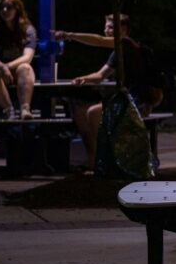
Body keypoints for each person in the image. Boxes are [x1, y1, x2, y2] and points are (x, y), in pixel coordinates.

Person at [53, 13, 163, 172]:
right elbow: (100, 75)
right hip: (126, 99)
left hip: (140, 101)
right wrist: (84, 78)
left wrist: (70, 35)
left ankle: (110, 161)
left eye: (111, 27)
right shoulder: (116, 52)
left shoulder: (126, 43)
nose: (106, 31)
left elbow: (98, 41)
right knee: (80, 114)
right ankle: (93, 160)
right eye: (105, 27)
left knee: (93, 112)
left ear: (123, 29)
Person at [0, 0, 37, 120]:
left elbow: (28, 57)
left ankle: (25, 109)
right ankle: (9, 110)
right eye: (2, 7)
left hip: (14, 72)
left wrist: (8, 67)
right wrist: (2, 67)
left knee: (26, 68)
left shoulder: (28, 29)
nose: (4, 10)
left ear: (17, 9)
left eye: (9, 7)